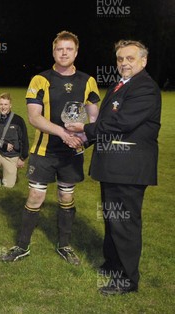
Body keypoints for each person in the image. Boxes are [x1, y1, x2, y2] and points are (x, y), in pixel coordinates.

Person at [66, 40, 161, 295]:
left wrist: (84, 129)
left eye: (130, 58)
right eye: (120, 59)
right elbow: (108, 122)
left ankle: (128, 279)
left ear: (143, 61)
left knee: (125, 222)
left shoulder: (146, 89)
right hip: (114, 166)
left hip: (128, 168)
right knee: (112, 219)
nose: (124, 63)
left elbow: (121, 123)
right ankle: (112, 264)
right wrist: (84, 140)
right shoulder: (121, 85)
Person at [0, 30, 100, 265]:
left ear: (76, 52)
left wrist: (84, 137)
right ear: (53, 51)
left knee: (66, 195)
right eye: (59, 49)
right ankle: (22, 245)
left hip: (72, 152)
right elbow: (34, 117)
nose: (64, 53)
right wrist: (64, 133)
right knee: (36, 195)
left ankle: (64, 245)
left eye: (69, 49)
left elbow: (94, 118)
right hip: (44, 151)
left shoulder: (88, 81)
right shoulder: (40, 79)